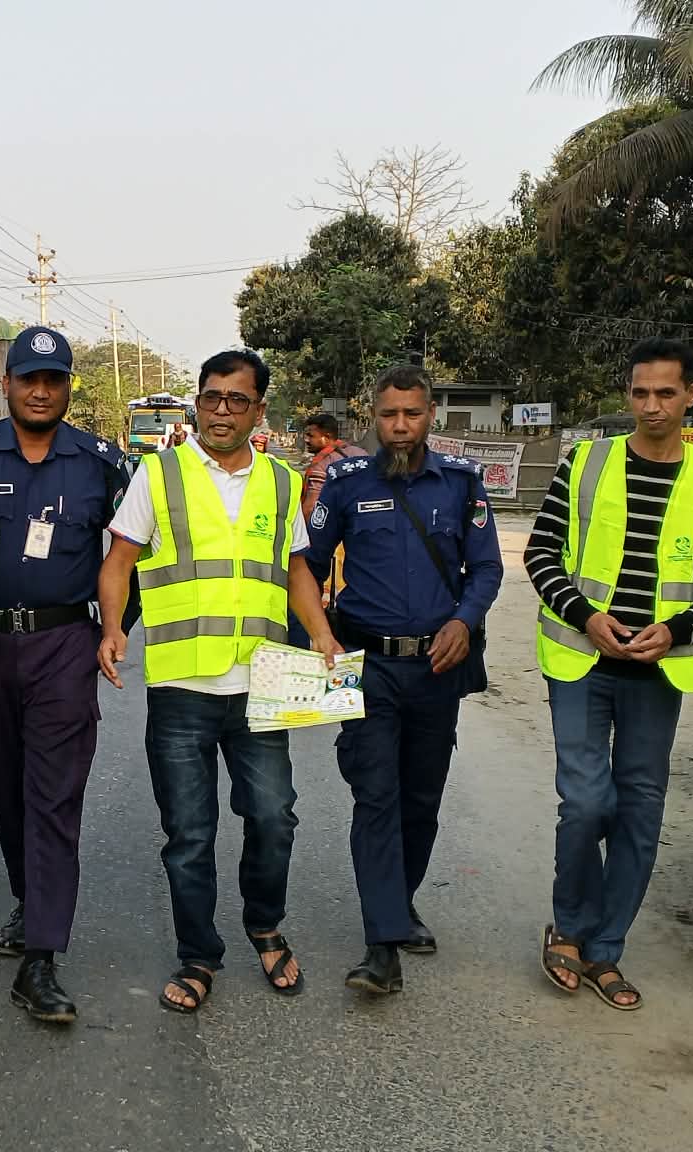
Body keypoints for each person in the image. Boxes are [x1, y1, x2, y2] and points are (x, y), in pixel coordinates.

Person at [96, 347, 339, 1015]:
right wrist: (112, 627)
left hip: (262, 681)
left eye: (237, 400)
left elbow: (295, 568)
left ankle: (265, 926)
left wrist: (321, 633)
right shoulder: (158, 473)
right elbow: (119, 560)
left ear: (259, 410)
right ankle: (198, 954)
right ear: (197, 402)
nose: (222, 410)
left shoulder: (282, 482)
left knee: (274, 817)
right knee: (189, 834)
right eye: (211, 397)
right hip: (182, 687)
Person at [527, 337, 693, 1011]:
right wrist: (587, 617)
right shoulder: (586, 462)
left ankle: (603, 949)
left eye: (666, 393)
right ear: (629, 394)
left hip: (659, 669)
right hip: (581, 657)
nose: (652, 406)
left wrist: (677, 630)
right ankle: (569, 926)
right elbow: (540, 554)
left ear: (691, 396)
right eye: (640, 392)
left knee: (640, 810)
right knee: (587, 802)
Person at [0, 326, 130, 1024]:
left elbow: (132, 554)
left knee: (53, 796)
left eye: (54, 380)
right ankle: (30, 901)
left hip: (63, 646)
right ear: (8, 385)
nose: (41, 391)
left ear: (68, 386)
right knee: (9, 787)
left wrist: (113, 630)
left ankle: (42, 958)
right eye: (29, 379)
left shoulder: (102, 464)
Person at [305, 364, 503, 995]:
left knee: (421, 799)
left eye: (411, 414)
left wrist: (464, 621)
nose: (399, 426)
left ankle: (400, 904)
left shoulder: (461, 485)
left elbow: (487, 569)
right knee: (376, 795)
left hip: (437, 668)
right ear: (373, 415)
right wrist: (321, 635)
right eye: (388, 414)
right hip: (367, 666)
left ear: (430, 416)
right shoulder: (345, 484)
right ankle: (381, 944)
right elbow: (306, 565)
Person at [287, 412, 368, 649]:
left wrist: (296, 537)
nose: (306, 439)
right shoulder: (360, 454)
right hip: (360, 542)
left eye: (311, 435)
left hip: (329, 543)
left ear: (327, 436)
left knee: (303, 594)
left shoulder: (322, 464)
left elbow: (311, 507)